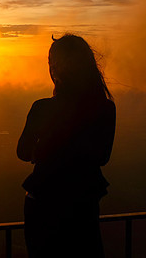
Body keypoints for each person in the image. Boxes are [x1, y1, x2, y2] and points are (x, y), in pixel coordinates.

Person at [17, 34, 116, 258]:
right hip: (83, 203)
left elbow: (22, 152)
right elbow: (102, 156)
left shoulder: (42, 108)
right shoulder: (105, 109)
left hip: (42, 204)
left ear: (56, 68)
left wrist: (45, 149)